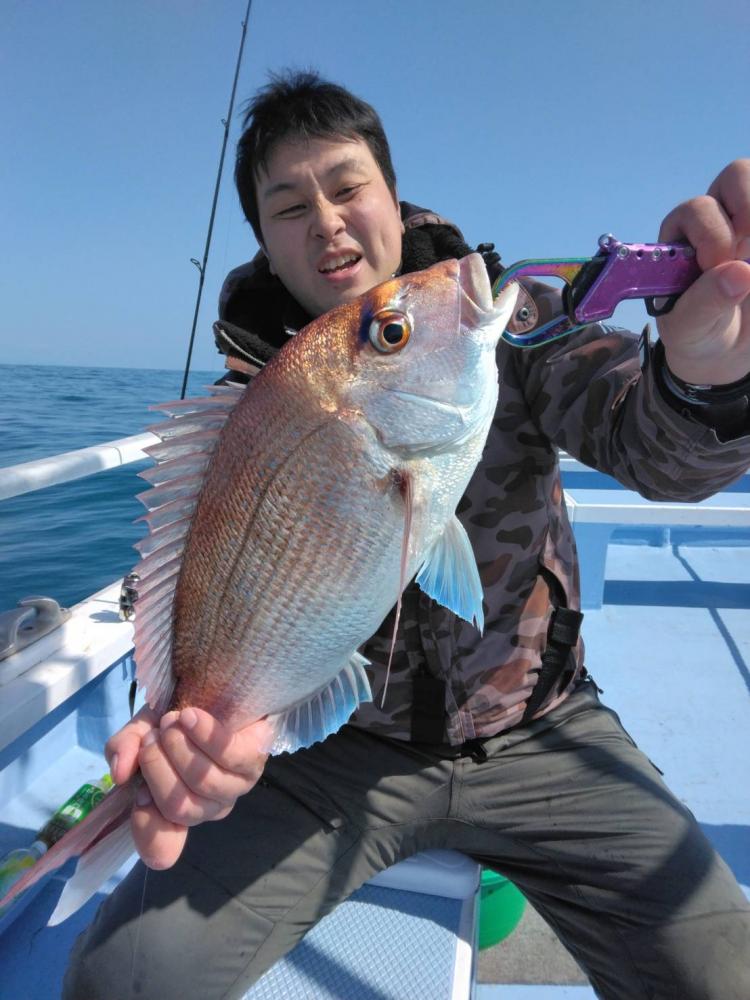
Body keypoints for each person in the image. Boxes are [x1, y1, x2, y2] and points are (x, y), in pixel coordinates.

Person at [64, 71, 750, 999]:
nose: (327, 222)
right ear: (265, 240)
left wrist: (706, 381)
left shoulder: (513, 327)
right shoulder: (242, 413)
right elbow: (201, 593)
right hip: (331, 758)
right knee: (123, 978)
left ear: (392, 195)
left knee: (724, 975)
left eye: (348, 187)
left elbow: (658, 457)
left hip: (538, 726)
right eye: (289, 207)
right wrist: (188, 723)